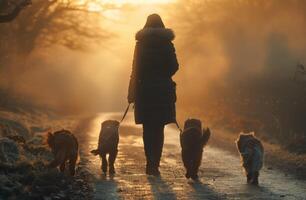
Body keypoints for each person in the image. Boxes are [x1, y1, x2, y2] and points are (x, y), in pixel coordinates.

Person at [128, 13, 179, 176]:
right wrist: (163, 75)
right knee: (159, 128)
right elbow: (174, 66)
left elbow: (135, 70)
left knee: (148, 128)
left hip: (145, 91)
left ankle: (150, 163)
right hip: (163, 90)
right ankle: (155, 164)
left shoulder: (140, 44)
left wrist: (131, 93)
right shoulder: (167, 44)